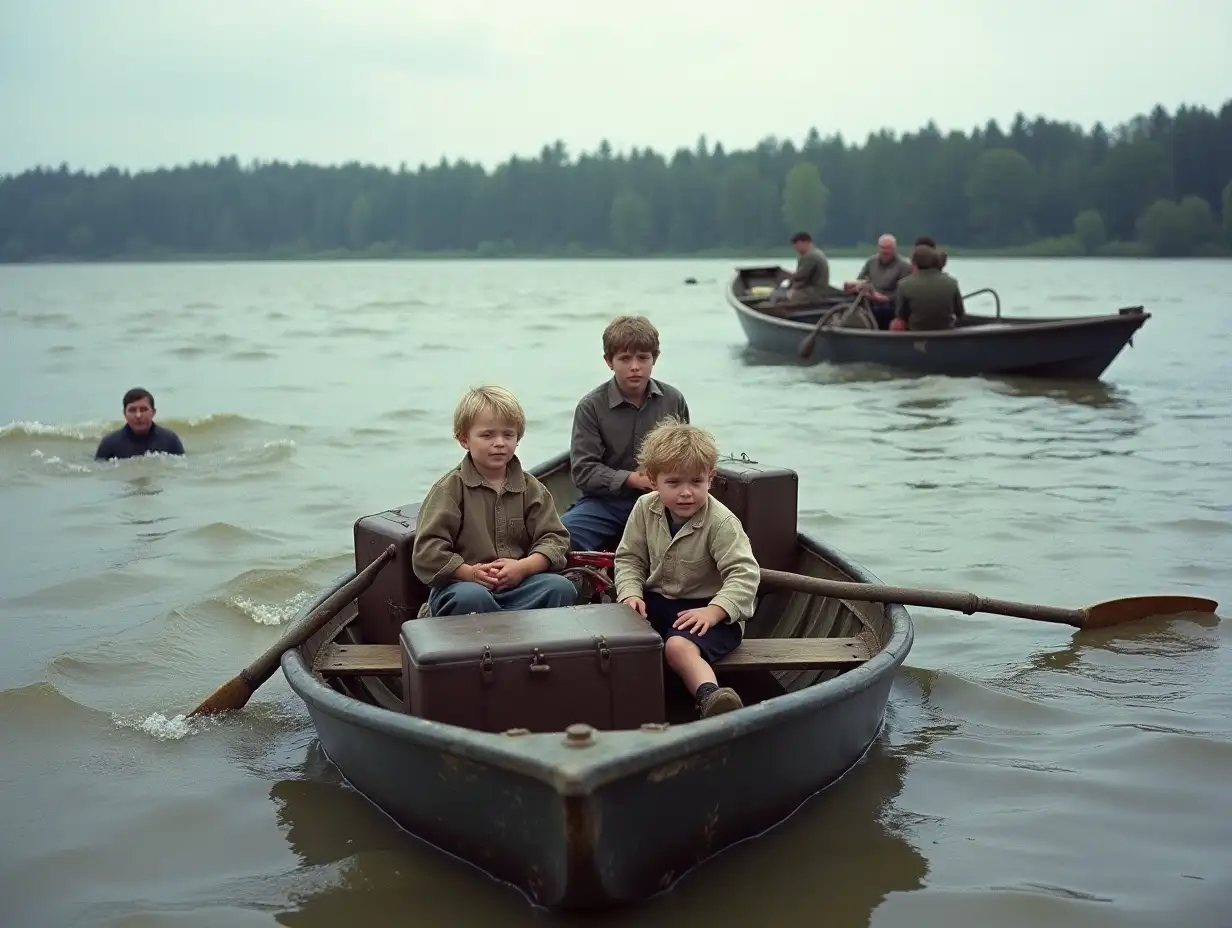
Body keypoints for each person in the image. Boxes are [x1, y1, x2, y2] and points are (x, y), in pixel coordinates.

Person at [613, 417, 760, 719]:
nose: (686, 493)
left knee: (677, 647)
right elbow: (630, 559)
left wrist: (714, 611)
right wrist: (630, 594)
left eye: (696, 482)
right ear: (653, 480)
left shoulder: (721, 522)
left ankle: (712, 698)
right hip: (659, 602)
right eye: (674, 482)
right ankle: (623, 702)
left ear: (711, 478)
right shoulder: (644, 508)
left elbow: (744, 575)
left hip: (710, 612)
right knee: (617, 637)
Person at [412, 385, 577, 617]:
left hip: (518, 585)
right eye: (487, 435)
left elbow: (555, 539)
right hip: (463, 585)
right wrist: (469, 572)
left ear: (518, 438)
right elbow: (427, 552)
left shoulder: (532, 489)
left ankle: (526, 641)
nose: (499, 443)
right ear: (464, 440)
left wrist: (523, 567)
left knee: (560, 588)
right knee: (470, 598)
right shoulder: (449, 490)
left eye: (508, 435)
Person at [561, 315, 690, 552]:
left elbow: (687, 457)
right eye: (624, 358)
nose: (634, 367)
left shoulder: (673, 400)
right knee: (563, 535)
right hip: (606, 504)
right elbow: (583, 471)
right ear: (609, 361)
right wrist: (634, 479)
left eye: (643, 358)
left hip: (663, 502)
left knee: (699, 534)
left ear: (655, 359)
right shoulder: (591, 407)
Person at [94, 388, 185, 460]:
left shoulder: (170, 441)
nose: (138, 415)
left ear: (153, 412)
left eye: (143, 409)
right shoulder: (110, 444)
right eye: (132, 410)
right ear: (124, 413)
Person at [891, 244, 966, 332]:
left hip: (915, 335)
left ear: (914, 263)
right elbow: (960, 313)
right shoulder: (952, 282)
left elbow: (900, 316)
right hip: (946, 335)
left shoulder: (904, 285)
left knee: (896, 323)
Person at [845, 234, 912, 329]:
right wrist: (857, 286)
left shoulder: (904, 266)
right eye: (882, 248)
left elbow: (904, 291)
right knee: (846, 302)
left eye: (888, 248)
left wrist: (886, 298)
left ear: (894, 249)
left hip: (890, 303)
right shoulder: (872, 261)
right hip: (869, 298)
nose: (884, 251)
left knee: (881, 310)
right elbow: (861, 278)